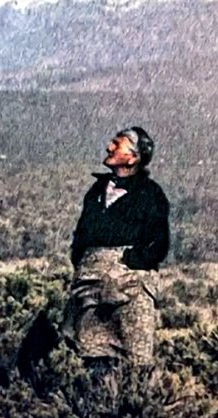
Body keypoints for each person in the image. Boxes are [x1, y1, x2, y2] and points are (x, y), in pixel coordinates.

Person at [66, 126, 170, 367]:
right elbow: (81, 237)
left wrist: (129, 262)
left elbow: (159, 244)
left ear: (133, 158)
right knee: (90, 358)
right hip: (89, 289)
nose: (109, 147)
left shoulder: (151, 194)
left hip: (130, 289)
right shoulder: (96, 191)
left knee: (135, 362)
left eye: (117, 143)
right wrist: (85, 262)